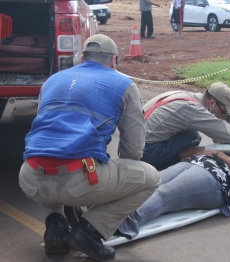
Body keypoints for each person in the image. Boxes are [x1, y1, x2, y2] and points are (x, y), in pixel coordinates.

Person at [19, 34, 160, 261]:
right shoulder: (124, 85)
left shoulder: (51, 81)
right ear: (114, 60)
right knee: (150, 177)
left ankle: (54, 226)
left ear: (82, 57)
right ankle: (88, 232)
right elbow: (133, 149)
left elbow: (45, 137)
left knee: (49, 158)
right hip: (78, 179)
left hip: (30, 176)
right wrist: (115, 182)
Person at [117, 146, 230, 239]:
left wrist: (220, 154)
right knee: (149, 184)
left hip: (214, 179)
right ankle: (104, 210)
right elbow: (183, 153)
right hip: (192, 163)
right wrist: (215, 149)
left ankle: (119, 223)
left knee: (164, 195)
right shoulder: (222, 150)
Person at [140, 82, 230, 172]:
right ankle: (169, 173)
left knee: (191, 133)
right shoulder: (193, 109)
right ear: (212, 102)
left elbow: (215, 131)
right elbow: (225, 131)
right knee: (193, 137)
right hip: (145, 152)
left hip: (134, 144)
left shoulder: (187, 96)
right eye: (223, 111)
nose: (222, 116)